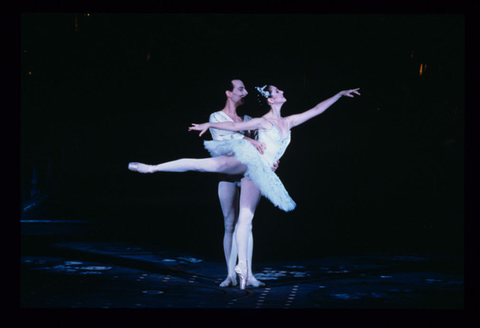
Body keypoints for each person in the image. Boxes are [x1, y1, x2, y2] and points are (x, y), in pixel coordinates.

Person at [128, 85, 360, 289]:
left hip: (262, 171)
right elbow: (234, 127)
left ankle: (243, 269)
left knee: (246, 220)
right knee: (206, 165)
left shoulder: (289, 121)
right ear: (270, 99)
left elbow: (317, 109)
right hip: (250, 161)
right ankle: (152, 168)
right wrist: (209, 123)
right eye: (277, 91)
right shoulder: (263, 121)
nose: (282, 92)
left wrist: (339, 94)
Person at [209, 78, 270, 288]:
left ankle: (249, 274)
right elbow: (224, 143)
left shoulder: (248, 119)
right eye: (240, 89)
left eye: (244, 89)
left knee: (246, 224)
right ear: (229, 93)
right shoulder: (216, 117)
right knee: (229, 224)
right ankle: (230, 274)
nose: (245, 92)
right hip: (227, 176)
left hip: (248, 175)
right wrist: (248, 140)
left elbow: (263, 146)